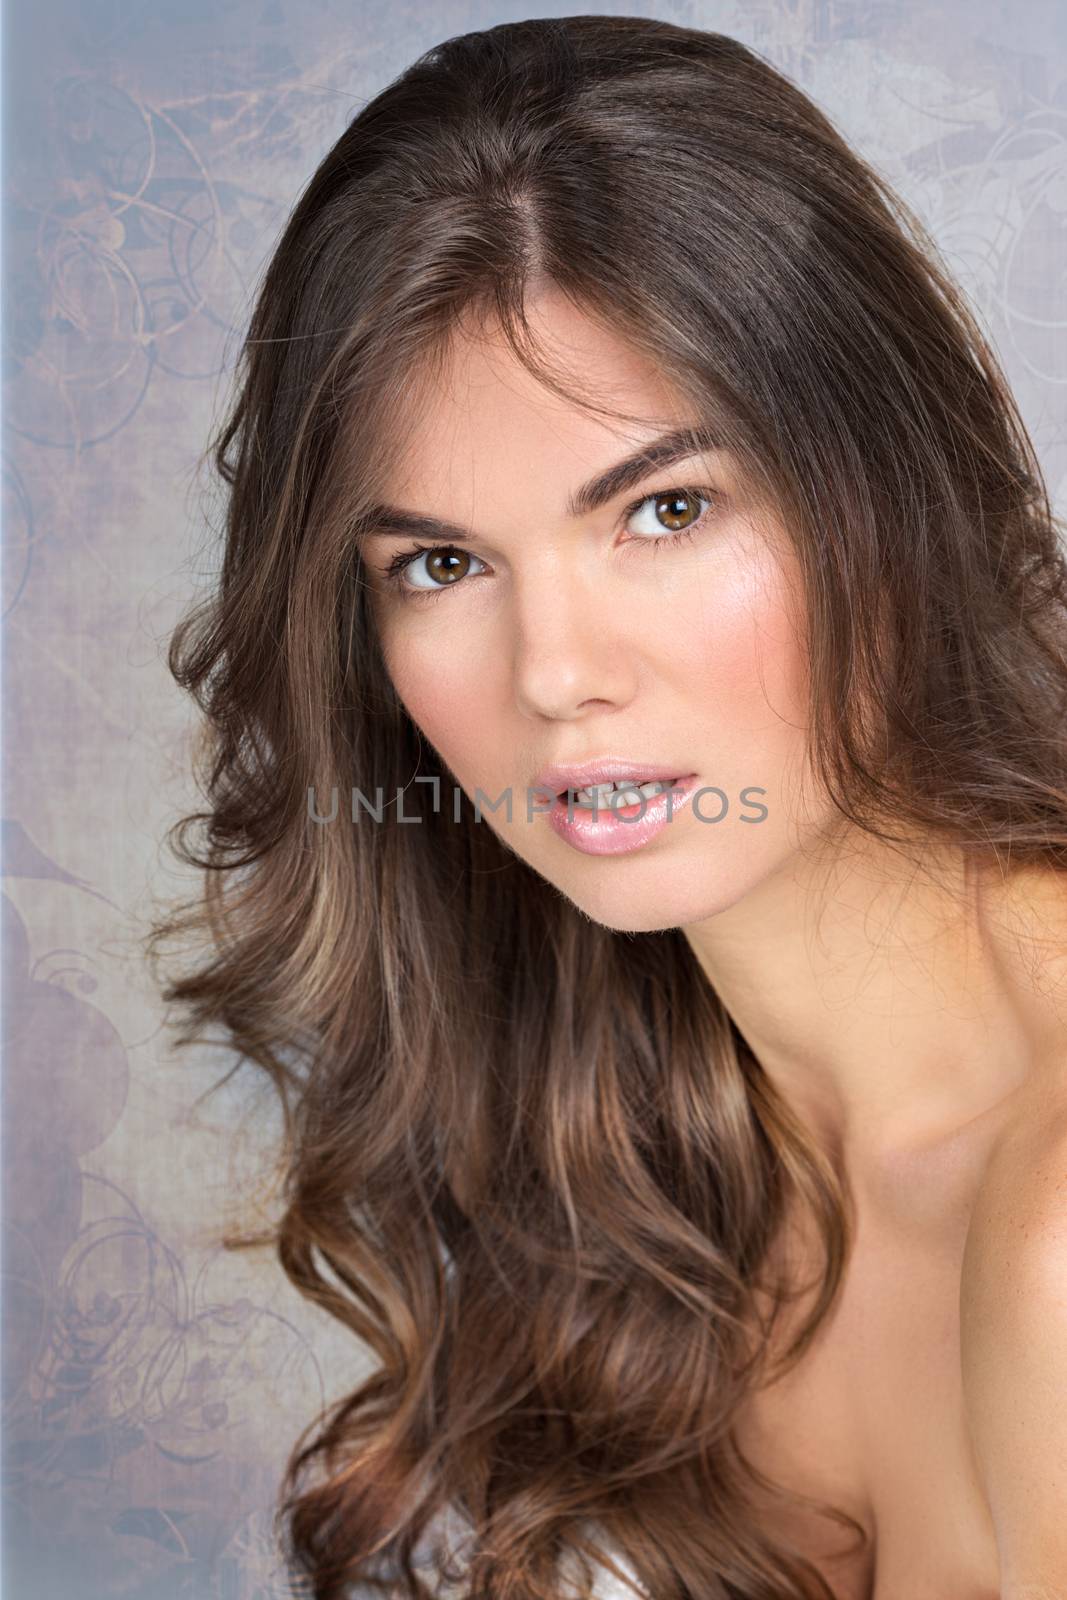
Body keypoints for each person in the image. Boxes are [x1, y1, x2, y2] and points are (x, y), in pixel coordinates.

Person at [148, 15, 1067, 1600]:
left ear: (888, 485)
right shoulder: (659, 1177)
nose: (556, 673)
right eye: (440, 565)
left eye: (666, 508)